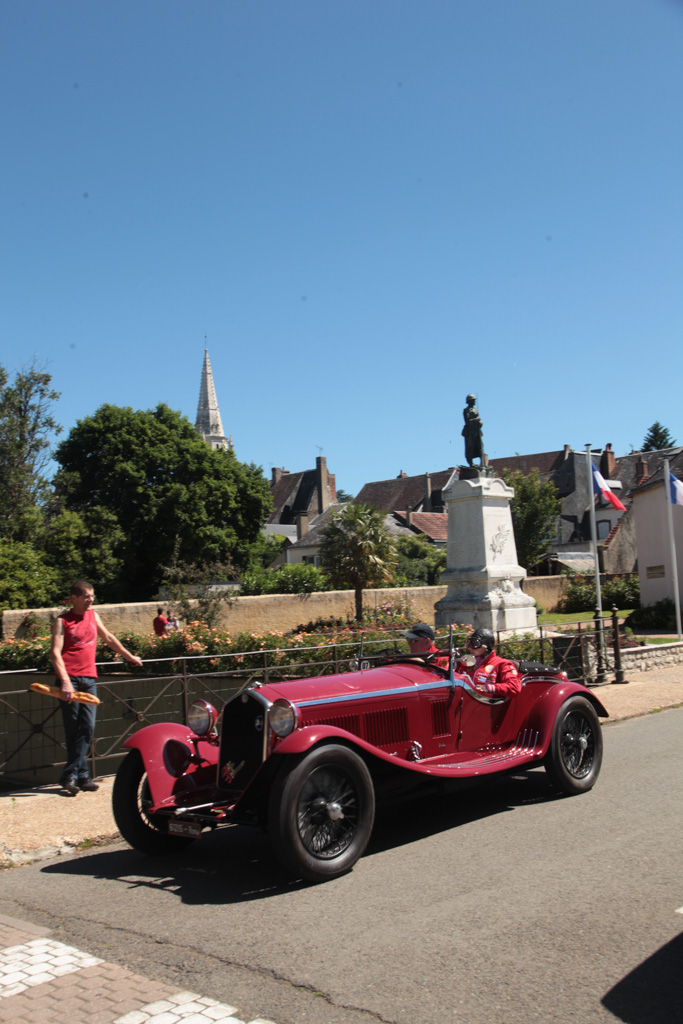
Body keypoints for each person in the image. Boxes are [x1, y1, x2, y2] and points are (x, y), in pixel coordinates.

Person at [51, 580, 143, 796]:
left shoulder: (93, 616)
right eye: (85, 596)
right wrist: (64, 681)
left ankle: (71, 775)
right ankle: (80, 776)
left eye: (92, 596)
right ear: (73, 598)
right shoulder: (62, 621)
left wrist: (129, 657)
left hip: (89, 679)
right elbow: (55, 652)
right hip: (70, 680)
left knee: (88, 727)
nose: (90, 600)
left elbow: (108, 638)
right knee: (73, 729)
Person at [456, 628, 520, 697]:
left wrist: (488, 688)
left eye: (475, 643)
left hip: (487, 704)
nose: (469, 647)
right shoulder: (467, 662)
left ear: (487, 646)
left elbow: (514, 687)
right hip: (465, 702)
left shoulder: (502, 664)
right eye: (468, 643)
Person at [461, 393, 484, 467]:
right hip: (470, 432)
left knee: (480, 447)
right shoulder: (466, 410)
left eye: (474, 400)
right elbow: (468, 421)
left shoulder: (476, 410)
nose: (474, 401)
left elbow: (480, 420)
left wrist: (480, 422)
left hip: (477, 431)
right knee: (470, 448)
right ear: (469, 401)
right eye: (473, 400)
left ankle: (482, 464)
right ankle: (471, 463)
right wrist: (476, 420)